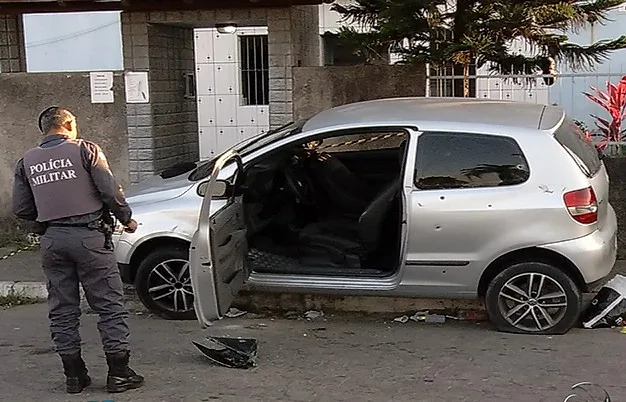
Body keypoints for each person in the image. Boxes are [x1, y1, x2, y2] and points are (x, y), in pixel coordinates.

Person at [11, 106, 144, 394]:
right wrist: (127, 219)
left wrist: (47, 223)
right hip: (90, 238)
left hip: (52, 242)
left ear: (44, 129)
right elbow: (110, 191)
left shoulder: (26, 161)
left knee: (62, 310)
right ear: (69, 124)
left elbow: (21, 208)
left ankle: (74, 376)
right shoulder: (86, 150)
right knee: (109, 306)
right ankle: (119, 374)